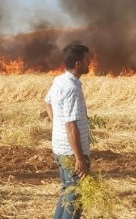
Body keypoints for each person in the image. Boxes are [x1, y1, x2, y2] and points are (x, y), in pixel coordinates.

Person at [44, 44, 91, 219]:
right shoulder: (72, 88)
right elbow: (71, 126)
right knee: (74, 198)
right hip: (71, 153)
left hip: (60, 148)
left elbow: (47, 101)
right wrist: (79, 159)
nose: (90, 62)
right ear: (78, 64)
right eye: (87, 60)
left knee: (66, 193)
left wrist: (56, 123)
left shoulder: (59, 80)